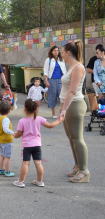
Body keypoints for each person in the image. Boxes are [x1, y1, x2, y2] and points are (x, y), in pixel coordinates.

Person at [13, 99, 62, 188]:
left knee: (25, 163)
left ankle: (21, 181)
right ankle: (40, 181)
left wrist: (14, 135)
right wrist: (59, 120)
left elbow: (18, 134)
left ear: (25, 109)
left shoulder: (22, 121)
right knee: (38, 163)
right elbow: (50, 125)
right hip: (37, 145)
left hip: (27, 146)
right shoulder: (39, 119)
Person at [59, 41, 89, 183]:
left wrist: (64, 109)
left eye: (62, 52)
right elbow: (66, 91)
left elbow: (72, 91)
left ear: (68, 53)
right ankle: (78, 166)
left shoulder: (78, 67)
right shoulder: (72, 67)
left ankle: (84, 171)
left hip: (75, 105)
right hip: (68, 104)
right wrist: (61, 106)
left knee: (77, 138)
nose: (61, 54)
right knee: (71, 137)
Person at [0, 101, 15, 177]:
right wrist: (13, 133)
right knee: (7, 157)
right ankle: (7, 171)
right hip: (6, 140)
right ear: (9, 111)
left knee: (2, 155)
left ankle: (1, 170)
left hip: (0, 140)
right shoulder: (6, 119)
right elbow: (5, 129)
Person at [43, 46, 67, 118]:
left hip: (61, 80)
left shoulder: (61, 59)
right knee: (52, 96)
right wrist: (46, 81)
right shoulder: (48, 60)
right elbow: (45, 71)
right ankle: (53, 113)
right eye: (54, 50)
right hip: (52, 80)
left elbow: (64, 70)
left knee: (62, 96)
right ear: (51, 52)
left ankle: (61, 112)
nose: (56, 52)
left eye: (57, 50)